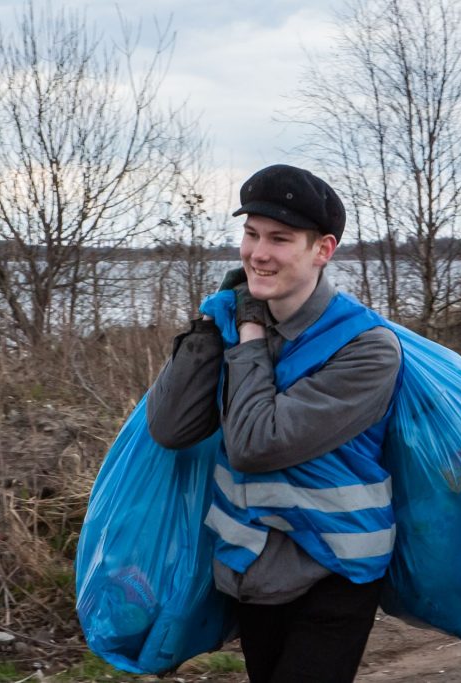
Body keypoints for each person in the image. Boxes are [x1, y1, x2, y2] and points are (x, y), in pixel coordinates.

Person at [146, 164, 402, 683]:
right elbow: (171, 427)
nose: (258, 253)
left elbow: (255, 444)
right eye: (251, 234)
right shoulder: (235, 319)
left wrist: (247, 336)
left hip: (333, 569)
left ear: (322, 250)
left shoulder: (367, 349)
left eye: (280, 239)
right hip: (251, 569)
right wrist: (205, 329)